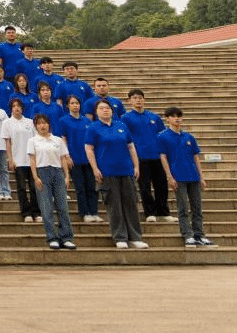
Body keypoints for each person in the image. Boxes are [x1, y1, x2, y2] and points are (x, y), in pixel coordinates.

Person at [85, 100, 148, 249]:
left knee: (131, 203)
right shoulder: (93, 128)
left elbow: (131, 147)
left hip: (126, 170)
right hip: (107, 172)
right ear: (96, 112)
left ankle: (135, 237)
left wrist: (136, 166)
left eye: (107, 108)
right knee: (114, 205)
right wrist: (95, 168)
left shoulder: (121, 125)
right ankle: (120, 237)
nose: (105, 110)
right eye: (101, 108)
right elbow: (89, 149)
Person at [157, 107, 215, 246]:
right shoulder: (162, 136)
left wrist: (201, 177)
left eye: (179, 116)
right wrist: (170, 177)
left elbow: (196, 158)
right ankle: (187, 234)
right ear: (167, 119)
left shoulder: (189, 137)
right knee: (183, 207)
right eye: (173, 116)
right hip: (178, 177)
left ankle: (199, 234)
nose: (177, 119)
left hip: (193, 176)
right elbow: (163, 158)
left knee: (197, 207)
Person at [28, 113, 76, 250]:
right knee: (46, 207)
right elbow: (32, 160)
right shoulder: (33, 141)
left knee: (62, 206)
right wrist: (35, 177)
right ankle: (52, 237)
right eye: (39, 123)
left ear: (49, 124)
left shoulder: (57, 140)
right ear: (36, 126)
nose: (42, 126)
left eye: (44, 123)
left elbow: (63, 158)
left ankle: (66, 237)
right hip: (42, 172)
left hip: (57, 172)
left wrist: (66, 176)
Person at [123, 89, 171, 222]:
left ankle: (164, 211)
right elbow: (126, 139)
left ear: (144, 99)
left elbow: (162, 135)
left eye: (140, 98)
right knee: (145, 186)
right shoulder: (126, 118)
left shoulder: (154, 117)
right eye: (134, 98)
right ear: (129, 101)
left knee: (161, 184)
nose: (138, 100)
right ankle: (150, 212)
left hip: (157, 155)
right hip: (141, 157)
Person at [57, 95, 100, 223]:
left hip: (88, 159)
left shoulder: (87, 121)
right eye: (72, 103)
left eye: (77, 103)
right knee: (80, 187)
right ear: (67, 106)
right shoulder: (64, 120)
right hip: (74, 158)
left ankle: (94, 212)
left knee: (91, 186)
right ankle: (85, 212)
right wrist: (67, 156)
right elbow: (63, 139)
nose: (75, 105)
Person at [3, 98, 39, 222]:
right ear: (11, 108)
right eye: (14, 106)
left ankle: (36, 212)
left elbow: (35, 141)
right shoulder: (7, 123)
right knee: (22, 188)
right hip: (18, 160)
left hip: (31, 160)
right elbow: (8, 143)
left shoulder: (29, 122)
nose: (16, 108)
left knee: (34, 187)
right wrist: (10, 159)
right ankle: (26, 213)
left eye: (18, 106)